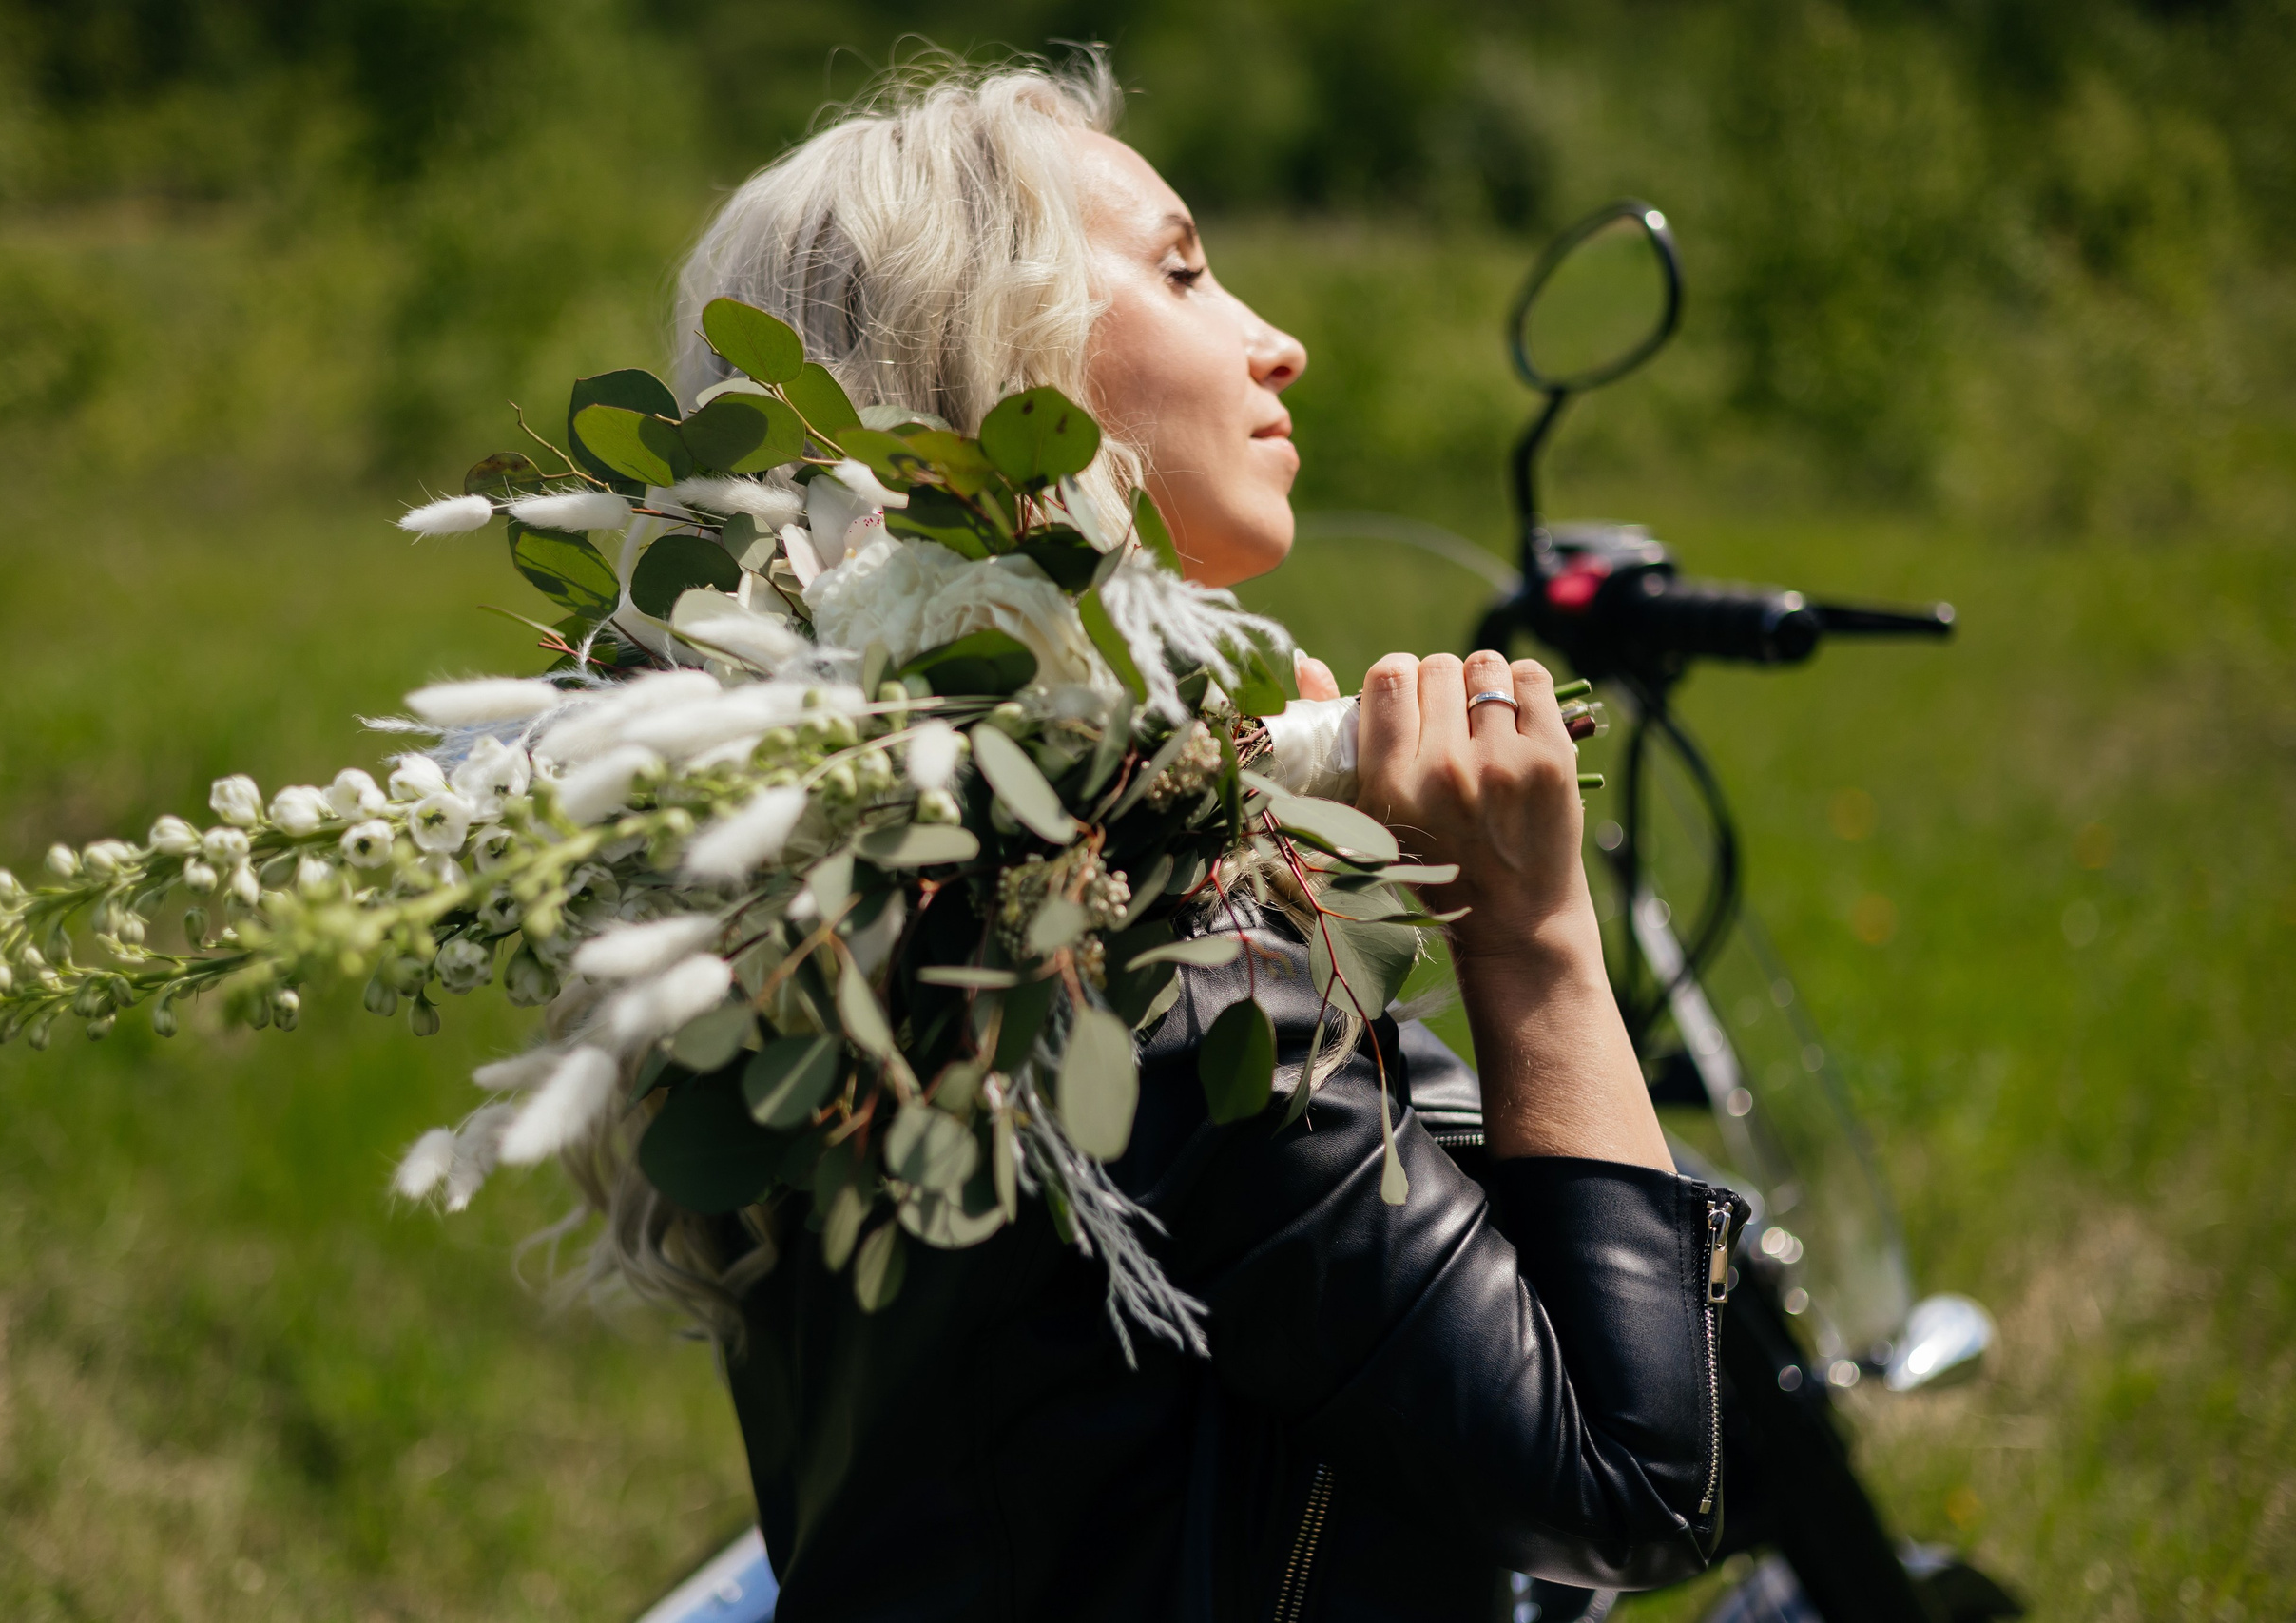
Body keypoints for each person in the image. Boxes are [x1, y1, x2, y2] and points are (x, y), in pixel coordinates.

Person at [631, 54, 1747, 1621]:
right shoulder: (1155, 952)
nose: (1276, 341)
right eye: (1183, 271)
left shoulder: (860, 886)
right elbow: (1631, 1490)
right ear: (1007, 371)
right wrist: (1532, 935)